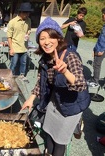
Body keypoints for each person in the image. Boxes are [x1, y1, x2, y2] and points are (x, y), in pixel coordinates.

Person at [21, 17, 90, 156]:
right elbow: (41, 81)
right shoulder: (45, 59)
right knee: (49, 133)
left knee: (59, 141)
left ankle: (76, 125)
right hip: (55, 101)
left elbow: (81, 84)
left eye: (51, 37)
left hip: (71, 105)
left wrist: (65, 71)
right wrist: (31, 98)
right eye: (42, 38)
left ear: (58, 37)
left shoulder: (70, 56)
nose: (46, 42)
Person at [7, 2, 33, 81]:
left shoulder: (29, 20)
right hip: (15, 47)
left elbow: (29, 30)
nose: (27, 14)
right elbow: (9, 37)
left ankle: (22, 75)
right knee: (13, 64)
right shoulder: (12, 22)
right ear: (21, 12)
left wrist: (28, 33)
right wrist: (11, 48)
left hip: (24, 47)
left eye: (28, 12)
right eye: (26, 12)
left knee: (23, 63)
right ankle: (10, 77)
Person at [87, 8, 105, 88]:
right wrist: (95, 49)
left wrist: (101, 50)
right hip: (100, 47)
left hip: (101, 49)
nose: (102, 16)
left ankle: (95, 81)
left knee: (97, 64)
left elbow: (103, 39)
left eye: (103, 14)